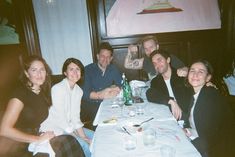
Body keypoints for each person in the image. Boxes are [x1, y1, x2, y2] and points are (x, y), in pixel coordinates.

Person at [0, 55, 85, 157]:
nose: (39, 74)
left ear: (46, 72)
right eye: (34, 70)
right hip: (17, 144)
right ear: (27, 73)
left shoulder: (43, 92)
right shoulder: (20, 94)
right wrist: (38, 139)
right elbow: (4, 130)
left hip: (38, 135)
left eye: (42, 70)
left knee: (69, 142)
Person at [40, 58, 93, 157]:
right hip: (54, 128)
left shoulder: (78, 91)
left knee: (95, 137)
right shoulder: (58, 89)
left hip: (69, 126)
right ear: (65, 72)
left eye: (78, 69)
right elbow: (60, 119)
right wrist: (80, 137)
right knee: (83, 145)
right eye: (71, 69)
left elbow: (75, 117)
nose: (75, 72)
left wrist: (83, 136)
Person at [183, 59, 235, 157]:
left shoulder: (209, 96)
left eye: (201, 72)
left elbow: (209, 138)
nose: (195, 74)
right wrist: (187, 129)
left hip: (215, 150)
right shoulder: (198, 92)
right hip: (202, 141)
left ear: (208, 78)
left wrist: (185, 149)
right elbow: (195, 121)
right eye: (192, 71)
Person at [81, 42, 122, 129]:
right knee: (106, 125)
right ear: (98, 56)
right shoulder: (88, 70)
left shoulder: (113, 69)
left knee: (122, 117)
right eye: (103, 56)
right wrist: (100, 95)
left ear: (111, 58)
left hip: (108, 103)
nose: (105, 59)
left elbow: (121, 85)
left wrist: (114, 88)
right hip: (91, 105)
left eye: (108, 57)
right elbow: (84, 93)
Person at [146, 49, 191, 120]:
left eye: (159, 60)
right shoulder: (156, 81)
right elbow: (150, 94)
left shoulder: (181, 76)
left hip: (188, 117)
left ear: (168, 60)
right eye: (154, 63)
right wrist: (170, 101)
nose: (157, 65)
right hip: (168, 117)